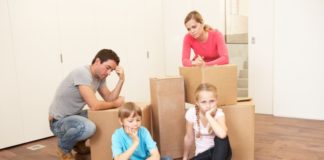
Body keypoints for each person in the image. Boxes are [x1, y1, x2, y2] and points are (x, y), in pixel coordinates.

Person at [49, 49, 125, 160]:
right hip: (58, 122)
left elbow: (109, 98)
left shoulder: (100, 78)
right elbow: (94, 105)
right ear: (97, 61)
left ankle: (77, 143)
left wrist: (121, 79)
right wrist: (116, 103)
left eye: (112, 70)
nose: (109, 73)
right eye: (108, 68)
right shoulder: (82, 73)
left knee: (101, 117)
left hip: (73, 116)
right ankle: (63, 149)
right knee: (88, 127)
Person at [182, 83, 232, 160]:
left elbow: (222, 135)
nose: (208, 105)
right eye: (203, 102)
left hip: (220, 154)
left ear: (216, 100)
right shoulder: (191, 113)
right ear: (197, 102)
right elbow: (189, 137)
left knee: (221, 138)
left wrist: (208, 116)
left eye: (212, 101)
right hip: (203, 156)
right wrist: (185, 158)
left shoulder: (219, 113)